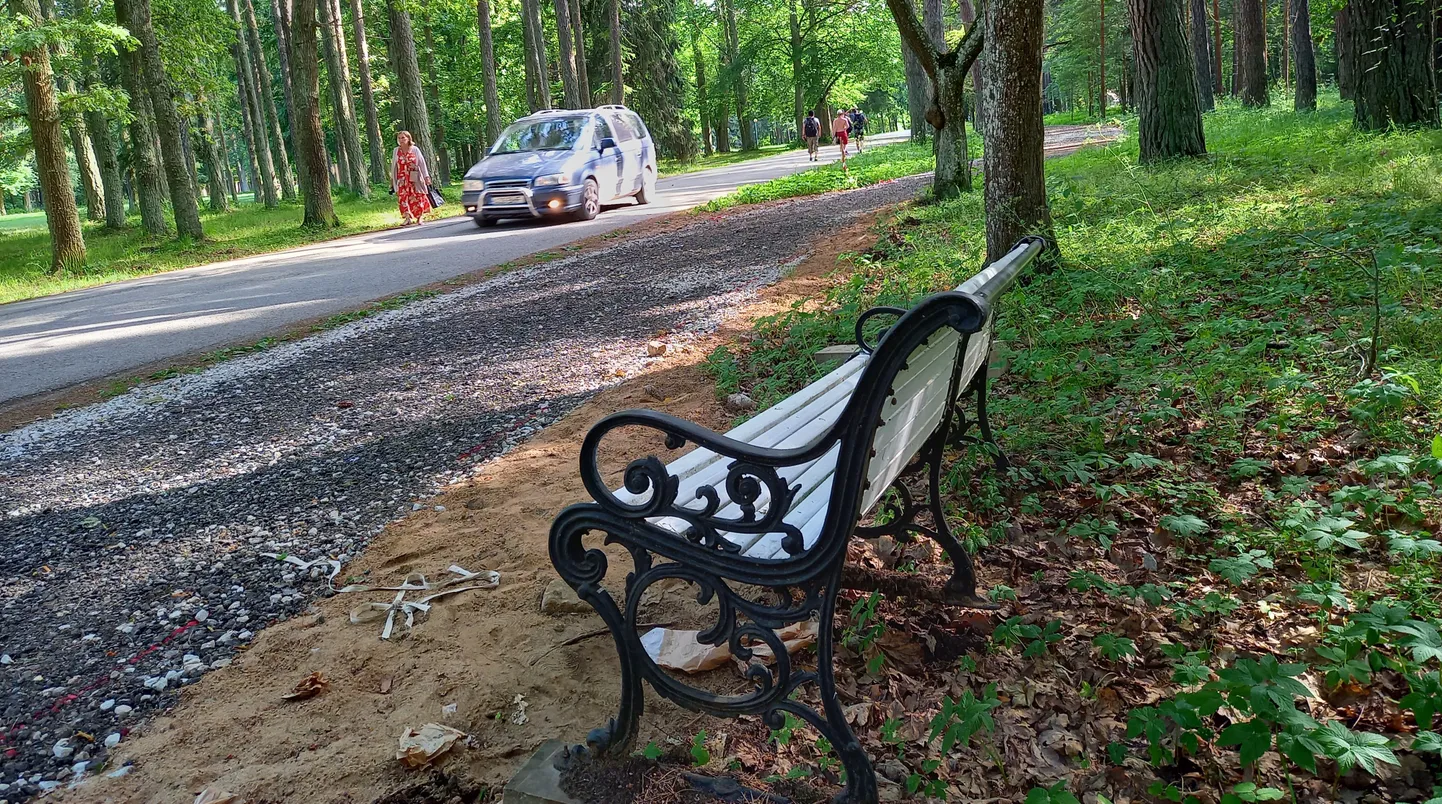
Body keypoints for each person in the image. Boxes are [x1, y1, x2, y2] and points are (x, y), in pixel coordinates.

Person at [390, 130, 432, 226]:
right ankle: (407, 218)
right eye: (399, 138)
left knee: (417, 197)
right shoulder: (396, 151)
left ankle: (419, 217)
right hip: (402, 179)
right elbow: (394, 166)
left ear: (408, 138)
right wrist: (392, 179)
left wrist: (426, 177)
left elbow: (422, 163)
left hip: (414, 177)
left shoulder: (415, 149)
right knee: (403, 198)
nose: (401, 140)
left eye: (403, 138)